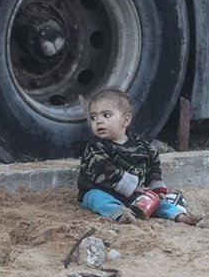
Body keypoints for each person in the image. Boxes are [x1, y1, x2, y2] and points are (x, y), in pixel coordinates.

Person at [76, 89, 200, 226]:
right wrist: (133, 187)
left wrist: (156, 188)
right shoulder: (96, 146)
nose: (99, 121)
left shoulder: (141, 145)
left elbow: (153, 165)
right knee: (95, 198)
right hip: (103, 191)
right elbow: (103, 170)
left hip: (133, 194)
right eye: (93, 117)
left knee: (156, 201)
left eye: (106, 115)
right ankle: (120, 214)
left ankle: (178, 215)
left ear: (126, 120)